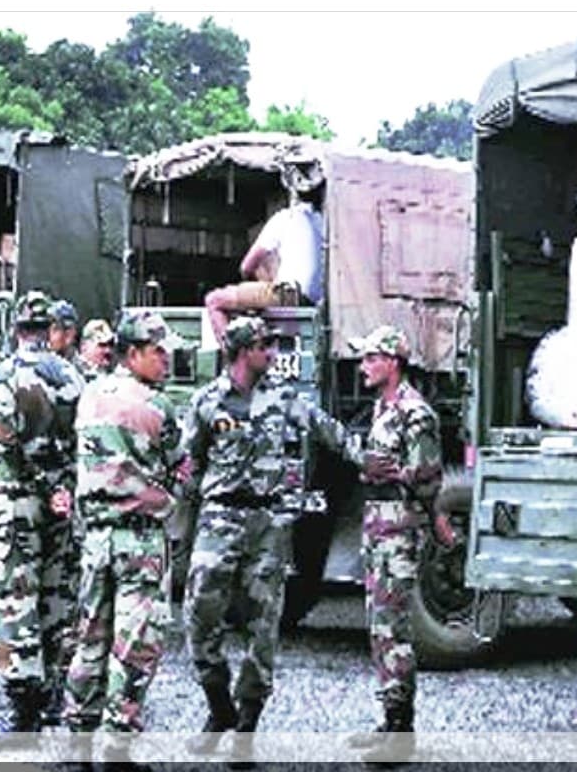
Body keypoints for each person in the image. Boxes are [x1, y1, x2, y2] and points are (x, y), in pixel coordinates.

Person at [182, 315, 365, 765]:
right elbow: (189, 463)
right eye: (266, 345)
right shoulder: (207, 402)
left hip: (267, 524)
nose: (274, 353)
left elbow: (330, 432)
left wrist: (370, 461)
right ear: (244, 351)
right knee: (198, 615)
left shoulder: (285, 400)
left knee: (264, 625)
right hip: (219, 518)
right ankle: (218, 706)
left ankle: (246, 729)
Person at [63, 310, 190, 766]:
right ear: (133, 353)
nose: (166, 361)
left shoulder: (89, 394)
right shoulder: (157, 406)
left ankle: (78, 737)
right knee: (135, 643)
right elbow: (181, 467)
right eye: (158, 352)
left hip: (96, 539)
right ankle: (117, 745)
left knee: (90, 637)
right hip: (140, 541)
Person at [0, 290, 85, 744]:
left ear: (18, 327)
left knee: (13, 594)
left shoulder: (7, 374)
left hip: (18, 500)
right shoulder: (72, 374)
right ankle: (58, 694)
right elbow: (82, 438)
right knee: (56, 591)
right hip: (61, 498)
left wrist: (38, 484)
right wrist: (61, 488)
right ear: (48, 329)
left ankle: (24, 709)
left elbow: (4, 442)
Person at [345, 325, 455, 765]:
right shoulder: (382, 408)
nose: (363, 366)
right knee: (378, 625)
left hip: (399, 526)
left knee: (394, 628)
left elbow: (428, 476)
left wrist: (391, 475)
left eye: (371, 358)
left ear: (392, 361)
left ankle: (401, 731)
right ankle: (388, 721)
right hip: (376, 525)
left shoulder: (415, 412)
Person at [203, 188, 324, 347]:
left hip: (289, 294)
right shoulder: (322, 221)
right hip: (316, 299)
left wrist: (252, 283)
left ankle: (233, 357)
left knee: (214, 300)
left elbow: (246, 266)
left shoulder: (285, 217)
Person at [75, 318, 115, 382]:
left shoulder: (112, 371)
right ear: (84, 346)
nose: (108, 350)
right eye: (102, 345)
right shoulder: (74, 372)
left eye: (110, 345)